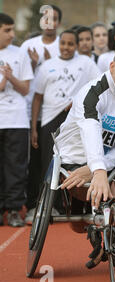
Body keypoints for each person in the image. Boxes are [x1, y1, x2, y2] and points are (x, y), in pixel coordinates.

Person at [54, 44, 115, 267]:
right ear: (113, 66)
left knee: (109, 189)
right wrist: (97, 169)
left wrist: (99, 167)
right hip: (74, 155)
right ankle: (93, 229)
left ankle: (107, 231)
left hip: (107, 158)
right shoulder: (91, 92)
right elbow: (91, 130)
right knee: (77, 225)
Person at [25, 30, 101, 224]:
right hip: (50, 118)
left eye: (70, 44)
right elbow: (37, 98)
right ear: (59, 43)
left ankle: (71, 205)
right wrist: (34, 127)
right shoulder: (47, 66)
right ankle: (47, 205)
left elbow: (99, 85)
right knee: (48, 163)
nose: (66, 48)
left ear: (76, 45)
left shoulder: (86, 63)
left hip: (75, 119)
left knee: (74, 159)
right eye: (63, 43)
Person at [20, 4, 62, 220]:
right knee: (33, 161)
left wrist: (45, 62)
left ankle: (55, 205)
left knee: (53, 160)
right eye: (45, 19)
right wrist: (36, 64)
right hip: (29, 112)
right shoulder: (28, 45)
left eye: (53, 19)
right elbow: (23, 76)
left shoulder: (63, 44)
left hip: (54, 114)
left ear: (58, 23)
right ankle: (32, 205)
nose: (49, 23)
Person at [0, 13, 34, 227]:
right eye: (7, 30)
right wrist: (4, 81)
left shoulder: (20, 53)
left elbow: (25, 88)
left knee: (16, 167)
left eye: (13, 30)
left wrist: (11, 77)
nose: (12, 35)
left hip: (16, 120)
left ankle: (13, 209)